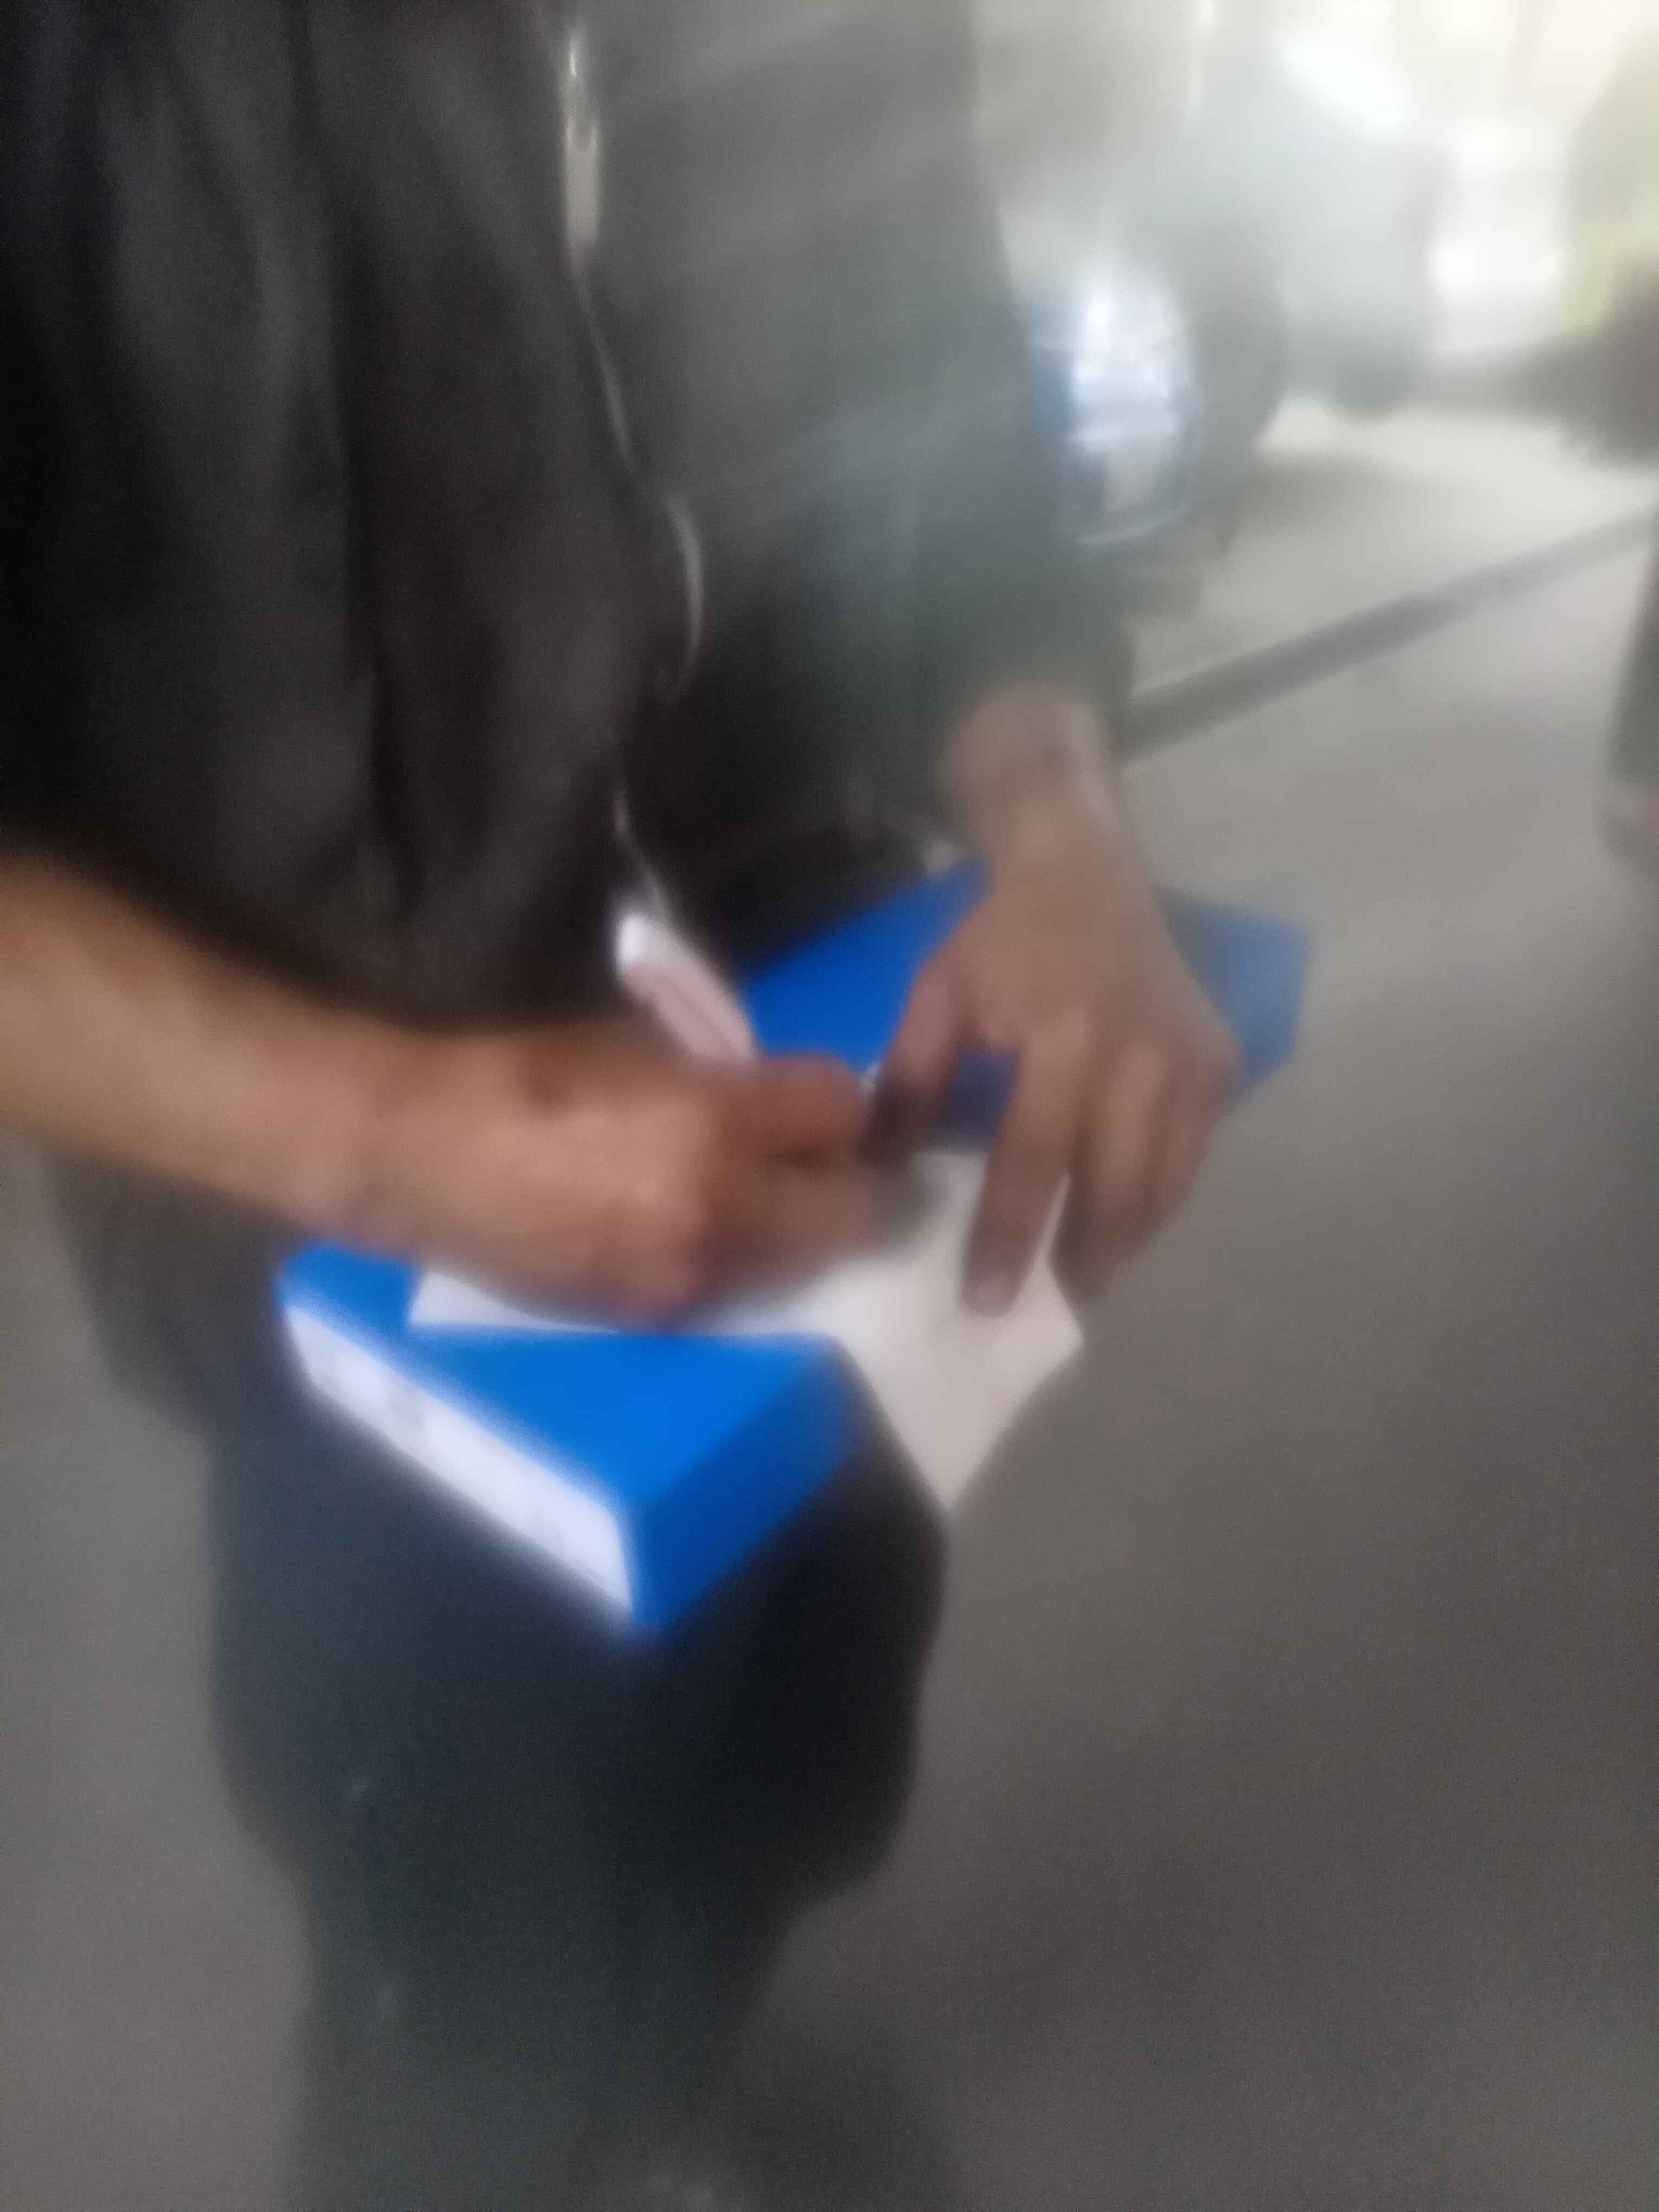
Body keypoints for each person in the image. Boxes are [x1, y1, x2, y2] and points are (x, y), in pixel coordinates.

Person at [0, 3, 1235, 2202]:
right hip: (358, 1259)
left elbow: (940, 396)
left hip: (851, 1101)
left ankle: (690, 2036)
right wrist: (392, 1140)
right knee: (467, 1945)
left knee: (798, 1745)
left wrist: (1053, 808)